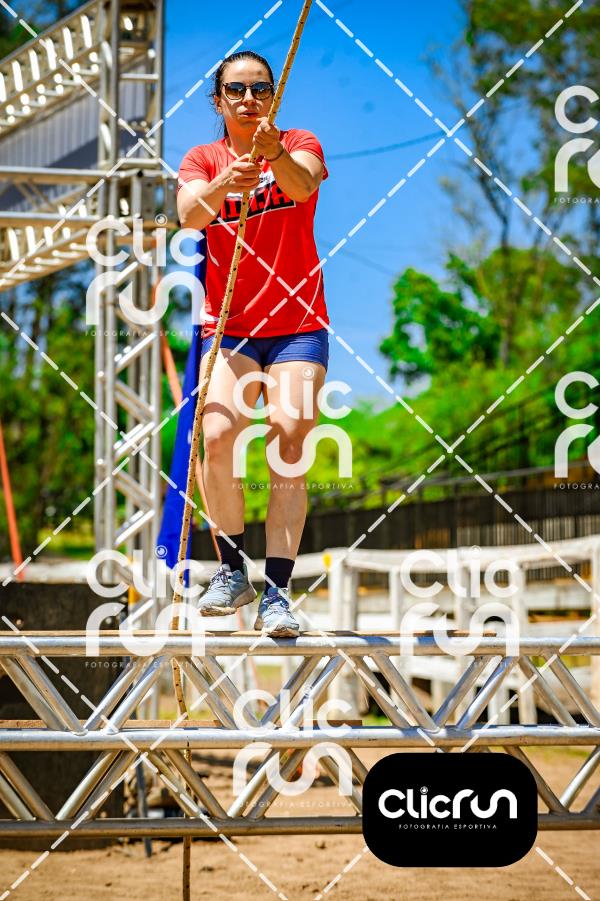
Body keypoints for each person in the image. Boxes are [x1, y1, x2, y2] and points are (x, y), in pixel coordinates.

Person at [177, 50, 329, 638]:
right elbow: (189, 216)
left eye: (260, 88)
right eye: (236, 90)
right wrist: (225, 183)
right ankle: (233, 568)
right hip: (231, 325)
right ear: (218, 101)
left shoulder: (299, 142)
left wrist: (273, 155)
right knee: (216, 436)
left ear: (275, 95)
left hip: (298, 322)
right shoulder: (202, 158)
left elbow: (302, 185)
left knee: (289, 436)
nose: (249, 99)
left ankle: (278, 592)